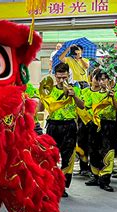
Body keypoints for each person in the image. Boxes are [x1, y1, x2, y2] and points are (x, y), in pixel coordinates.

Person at [39, 63, 85, 197]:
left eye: (64, 77)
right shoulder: (50, 90)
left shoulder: (75, 89)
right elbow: (40, 110)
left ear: (68, 75)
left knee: (68, 157)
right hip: (53, 125)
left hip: (69, 126)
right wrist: (42, 95)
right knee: (50, 157)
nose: (61, 80)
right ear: (55, 76)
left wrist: (74, 96)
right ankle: (50, 184)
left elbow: (82, 106)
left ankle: (62, 186)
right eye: (59, 77)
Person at [84, 69, 117, 192]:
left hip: (109, 125)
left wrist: (112, 96)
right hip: (95, 125)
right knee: (93, 150)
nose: (102, 81)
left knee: (108, 151)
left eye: (104, 79)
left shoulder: (115, 93)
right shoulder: (93, 93)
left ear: (109, 80)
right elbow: (86, 107)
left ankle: (105, 179)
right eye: (100, 79)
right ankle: (95, 175)